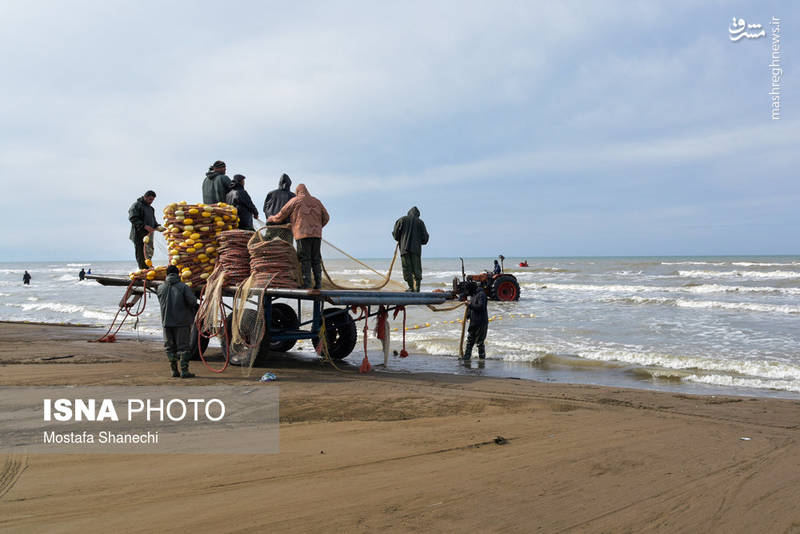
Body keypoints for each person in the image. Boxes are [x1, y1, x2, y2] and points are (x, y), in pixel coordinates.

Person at [267, 184, 330, 289]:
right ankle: (318, 284)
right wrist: (318, 227)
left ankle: (307, 284)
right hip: (316, 235)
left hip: (302, 234)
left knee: (304, 258)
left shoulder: (295, 200)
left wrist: (272, 219)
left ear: (297, 192)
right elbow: (326, 217)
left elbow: (281, 214)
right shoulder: (316, 201)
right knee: (316, 259)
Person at [156, 265, 198, 378]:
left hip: (166, 323)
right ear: (178, 274)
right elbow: (192, 302)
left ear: (166, 275)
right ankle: (184, 371)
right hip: (181, 323)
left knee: (169, 347)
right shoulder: (183, 287)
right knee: (183, 347)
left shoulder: (160, 288)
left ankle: (174, 371)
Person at [392, 206, 429, 292]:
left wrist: (401, 239)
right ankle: (417, 288)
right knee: (417, 269)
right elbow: (425, 238)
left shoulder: (401, 220)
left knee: (406, 269)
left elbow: (395, 235)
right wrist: (419, 242)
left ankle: (411, 287)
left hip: (404, 249)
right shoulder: (420, 222)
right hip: (416, 250)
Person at [128, 190, 163, 270]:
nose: (151, 202)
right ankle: (142, 270)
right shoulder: (136, 205)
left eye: (153, 200)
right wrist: (144, 226)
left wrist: (158, 227)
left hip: (149, 235)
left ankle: (147, 268)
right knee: (141, 253)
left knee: (149, 253)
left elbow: (153, 221)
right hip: (138, 234)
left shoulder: (151, 209)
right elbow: (133, 218)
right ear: (145, 197)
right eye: (150, 199)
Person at [262, 173, 296, 243]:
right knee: (287, 248)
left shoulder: (271, 193)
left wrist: (270, 218)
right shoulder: (293, 196)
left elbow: (265, 209)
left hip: (272, 225)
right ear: (289, 184)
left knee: (266, 246)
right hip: (286, 227)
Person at [462, 283, 489, 361]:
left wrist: (469, 305)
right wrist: (467, 316)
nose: (467, 293)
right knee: (470, 341)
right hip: (473, 322)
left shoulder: (481, 295)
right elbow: (470, 309)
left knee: (480, 343)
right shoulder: (473, 295)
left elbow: (480, 307)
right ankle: (466, 358)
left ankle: (482, 360)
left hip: (481, 323)